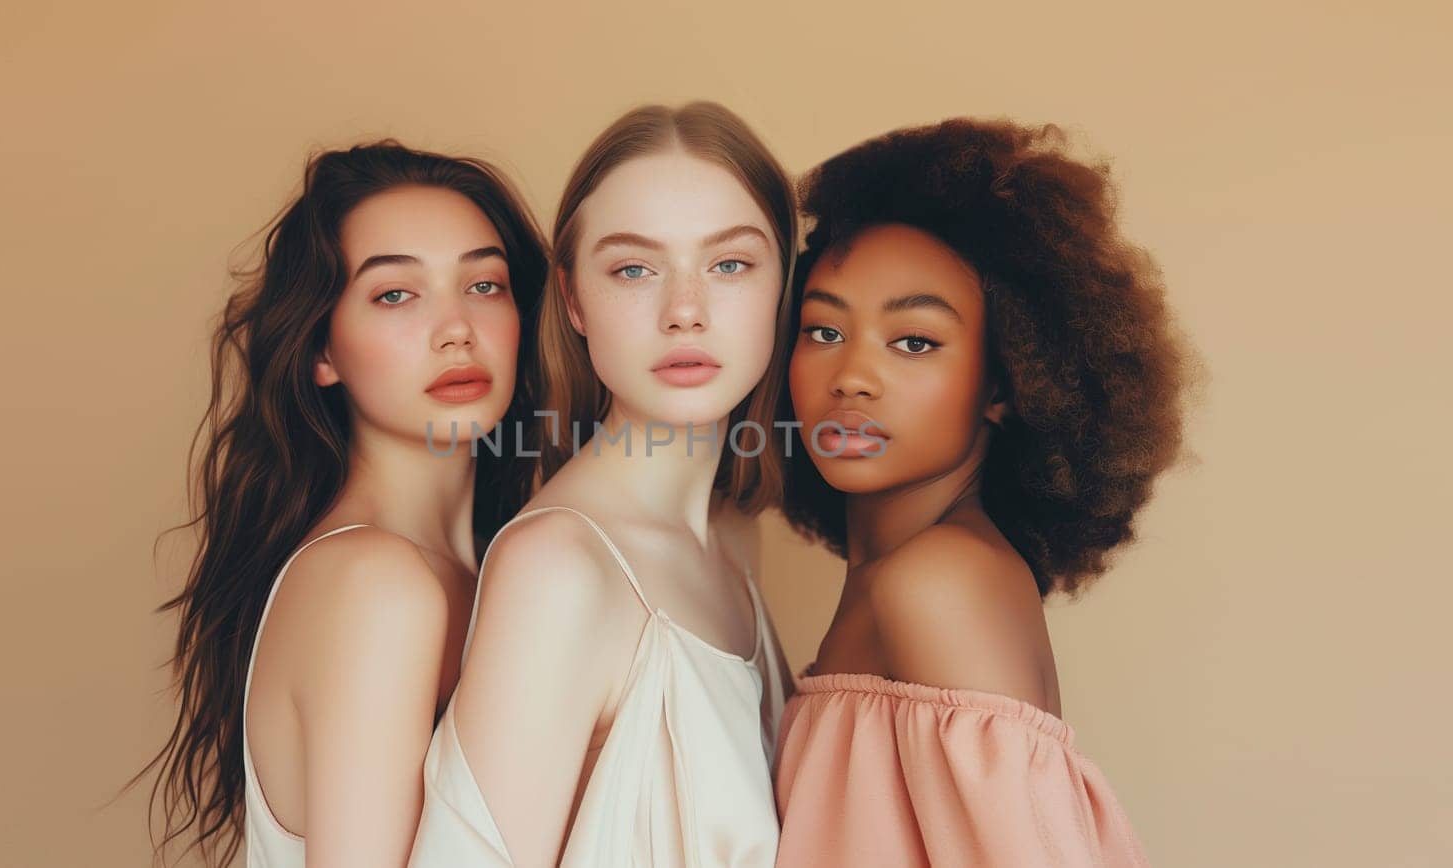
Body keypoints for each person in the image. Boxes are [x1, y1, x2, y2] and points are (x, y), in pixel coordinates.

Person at [773, 119, 1192, 867]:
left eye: (915, 342)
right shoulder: (911, 571)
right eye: (824, 331)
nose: (852, 377)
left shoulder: (938, 583)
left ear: (1005, 384)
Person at [139, 141, 548, 868]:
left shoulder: (498, 566)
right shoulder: (372, 583)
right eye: (396, 294)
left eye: (484, 285)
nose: (456, 328)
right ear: (321, 352)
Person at [410, 102, 797, 867]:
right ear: (575, 301)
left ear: (783, 284)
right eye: (633, 269)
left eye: (730, 264)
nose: (685, 311)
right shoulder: (557, 568)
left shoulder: (735, 539)